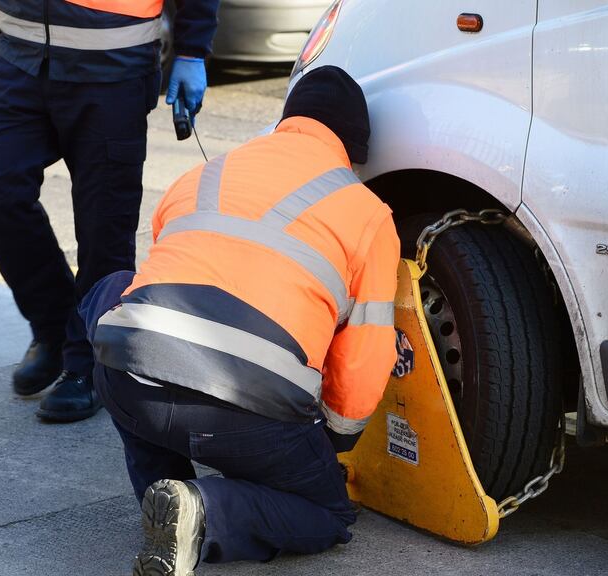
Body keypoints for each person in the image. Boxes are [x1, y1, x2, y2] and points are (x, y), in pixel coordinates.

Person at [79, 66, 399, 574]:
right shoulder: (369, 215)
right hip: (245, 416)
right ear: (354, 148)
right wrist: (330, 441)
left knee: (113, 294)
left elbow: (164, 275)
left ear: (286, 121)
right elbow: (363, 359)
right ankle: (203, 512)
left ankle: (161, 494)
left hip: (129, 384)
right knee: (326, 512)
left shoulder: (204, 173)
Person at [0, 0, 219, 422]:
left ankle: (88, 364)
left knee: (104, 230)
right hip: (19, 56)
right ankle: (56, 328)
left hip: (114, 67)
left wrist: (192, 51)